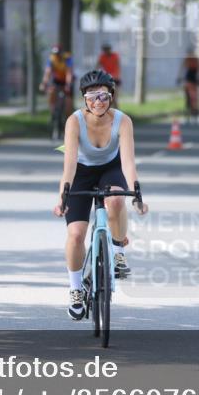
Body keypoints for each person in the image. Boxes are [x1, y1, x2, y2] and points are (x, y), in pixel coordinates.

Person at [53, 70, 148, 320]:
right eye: (92, 96)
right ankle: (76, 290)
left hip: (110, 169)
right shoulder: (74, 122)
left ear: (111, 96)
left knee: (116, 199)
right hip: (81, 172)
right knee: (76, 235)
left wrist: (137, 195)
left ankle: (118, 251)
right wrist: (63, 197)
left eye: (104, 96)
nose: (98, 101)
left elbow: (128, 163)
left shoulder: (123, 121)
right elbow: (69, 166)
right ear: (84, 99)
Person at [40, 45, 73, 111]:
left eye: (58, 53)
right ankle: (53, 112)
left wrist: (68, 85)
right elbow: (47, 73)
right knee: (51, 92)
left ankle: (68, 114)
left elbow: (69, 73)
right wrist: (44, 83)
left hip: (66, 80)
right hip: (57, 80)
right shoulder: (52, 59)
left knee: (68, 99)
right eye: (55, 54)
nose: (57, 55)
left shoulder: (67, 58)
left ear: (62, 53)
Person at [179, 47, 199, 119]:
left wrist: (179, 77)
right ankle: (192, 109)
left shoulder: (191, 59)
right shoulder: (193, 59)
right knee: (192, 96)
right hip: (191, 78)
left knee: (192, 96)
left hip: (191, 79)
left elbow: (182, 68)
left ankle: (193, 109)